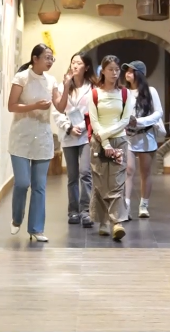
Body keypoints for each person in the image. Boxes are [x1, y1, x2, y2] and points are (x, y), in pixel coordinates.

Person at [7, 43, 72, 242]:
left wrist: (67, 86)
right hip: (21, 136)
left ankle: (36, 229)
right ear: (35, 59)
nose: (50, 61)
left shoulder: (51, 81)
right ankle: (17, 218)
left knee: (39, 186)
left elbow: (60, 107)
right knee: (22, 183)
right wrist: (34, 106)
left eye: (52, 58)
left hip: (42, 137)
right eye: (46, 57)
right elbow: (11, 106)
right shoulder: (21, 78)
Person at [87, 55, 135, 241]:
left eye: (117, 70)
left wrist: (106, 137)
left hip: (119, 141)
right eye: (110, 69)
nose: (114, 73)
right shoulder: (94, 94)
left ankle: (117, 222)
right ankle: (103, 221)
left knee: (117, 181)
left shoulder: (125, 94)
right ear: (103, 71)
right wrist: (105, 143)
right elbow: (94, 121)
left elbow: (125, 120)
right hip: (99, 142)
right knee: (100, 182)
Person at [51, 53, 96, 227]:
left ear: (87, 67)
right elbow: (57, 111)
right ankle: (73, 211)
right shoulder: (62, 86)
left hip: (85, 136)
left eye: (79, 63)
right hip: (68, 135)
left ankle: (86, 211)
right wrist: (69, 127)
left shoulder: (92, 87)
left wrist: (82, 127)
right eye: (73, 62)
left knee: (85, 172)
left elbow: (95, 111)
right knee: (72, 175)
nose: (75, 66)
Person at [122, 60, 164, 220]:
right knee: (128, 170)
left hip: (146, 136)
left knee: (145, 172)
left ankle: (144, 205)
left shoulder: (150, 91)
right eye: (126, 71)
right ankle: (125, 207)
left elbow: (158, 112)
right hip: (128, 136)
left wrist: (140, 122)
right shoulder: (124, 92)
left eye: (131, 71)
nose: (127, 74)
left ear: (139, 73)